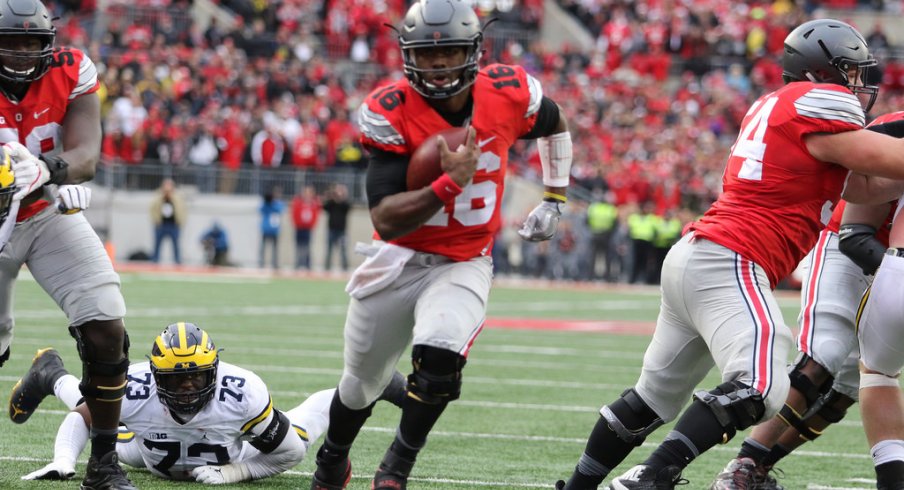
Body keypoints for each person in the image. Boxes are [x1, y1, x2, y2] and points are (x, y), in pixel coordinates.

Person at [555, 18, 904, 489]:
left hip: (697, 257)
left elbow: (868, 183)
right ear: (824, 73)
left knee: (650, 400)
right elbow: (885, 162)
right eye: (852, 71)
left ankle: (578, 486)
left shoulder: (779, 109)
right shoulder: (818, 107)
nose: (860, 84)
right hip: (732, 258)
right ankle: (651, 477)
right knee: (761, 387)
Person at [309, 1, 573, 488]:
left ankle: (396, 468)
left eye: (449, 51)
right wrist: (448, 185)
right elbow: (386, 220)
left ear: (473, 50)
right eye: (426, 55)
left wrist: (554, 198)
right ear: (407, 55)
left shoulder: (509, 91)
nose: (438, 65)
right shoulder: (390, 108)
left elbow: (555, 124)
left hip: (464, 258)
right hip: (399, 257)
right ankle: (333, 457)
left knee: (441, 357)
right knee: (360, 384)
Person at [709, 112, 904, 489]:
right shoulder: (894, 126)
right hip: (849, 247)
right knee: (823, 355)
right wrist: (893, 277)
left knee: (848, 387)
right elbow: (854, 233)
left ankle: (761, 466)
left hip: (891, 265)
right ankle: (742, 465)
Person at [0, 2, 134, 488]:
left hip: (42, 213)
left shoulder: (71, 69)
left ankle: (103, 464)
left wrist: (48, 171)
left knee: (106, 326)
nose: (20, 52)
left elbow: (86, 154)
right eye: (9, 41)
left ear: (46, 43)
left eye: (30, 42)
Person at [12, 322, 407, 484]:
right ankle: (50, 372)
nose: (186, 386)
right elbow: (83, 418)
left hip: (232, 450)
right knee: (99, 406)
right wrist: (65, 459)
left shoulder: (241, 392)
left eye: (196, 375)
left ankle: (375, 384)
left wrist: (234, 472)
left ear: (214, 371)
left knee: (299, 434)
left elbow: (288, 455)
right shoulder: (138, 384)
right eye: (176, 377)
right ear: (156, 375)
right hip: (143, 451)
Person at [149, 178, 186, 265]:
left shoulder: (177, 197)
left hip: (173, 224)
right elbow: (152, 209)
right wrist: (155, 220)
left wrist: (180, 221)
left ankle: (177, 261)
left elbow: (182, 209)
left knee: (176, 244)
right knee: (157, 244)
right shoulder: (158, 196)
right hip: (161, 224)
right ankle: (155, 260)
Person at [321, 183, 350, 272]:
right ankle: (327, 267)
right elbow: (324, 207)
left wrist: (342, 196)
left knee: (343, 250)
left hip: (342, 231)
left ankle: (344, 267)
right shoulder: (331, 203)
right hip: (331, 229)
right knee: (329, 249)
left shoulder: (344, 204)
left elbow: (347, 207)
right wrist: (330, 197)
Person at [291, 185, 321, 270]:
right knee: (299, 246)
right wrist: (297, 224)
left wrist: (312, 225)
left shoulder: (313, 203)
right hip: (299, 227)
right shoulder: (298, 202)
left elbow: (316, 215)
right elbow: (294, 214)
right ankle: (298, 263)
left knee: (307, 247)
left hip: (308, 228)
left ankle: (307, 264)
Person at [259, 186, 285, 269]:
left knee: (275, 248)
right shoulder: (265, 204)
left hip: (274, 229)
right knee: (263, 247)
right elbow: (260, 209)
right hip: (266, 228)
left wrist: (272, 203)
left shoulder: (278, 203)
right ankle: (262, 263)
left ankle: (275, 264)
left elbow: (280, 210)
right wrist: (268, 203)